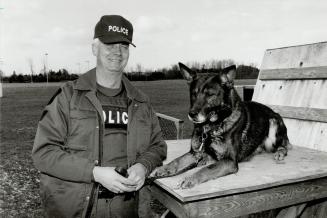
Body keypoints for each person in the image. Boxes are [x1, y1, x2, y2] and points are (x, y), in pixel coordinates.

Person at [32, 15, 167, 218]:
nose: (117, 52)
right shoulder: (68, 96)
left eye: (124, 45)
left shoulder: (141, 102)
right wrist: (95, 173)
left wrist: (143, 165)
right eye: (109, 44)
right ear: (95, 48)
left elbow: (157, 146)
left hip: (127, 209)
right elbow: (43, 153)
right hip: (78, 208)